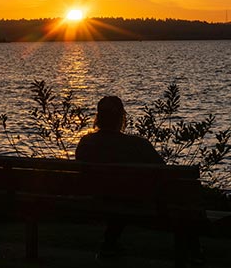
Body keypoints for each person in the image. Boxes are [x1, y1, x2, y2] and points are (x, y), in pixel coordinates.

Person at [76, 95, 202, 264]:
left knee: (118, 198)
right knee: (182, 203)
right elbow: (164, 171)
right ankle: (194, 252)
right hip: (135, 201)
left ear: (98, 118)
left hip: (97, 199)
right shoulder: (137, 144)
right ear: (121, 118)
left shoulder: (85, 143)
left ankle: (109, 244)